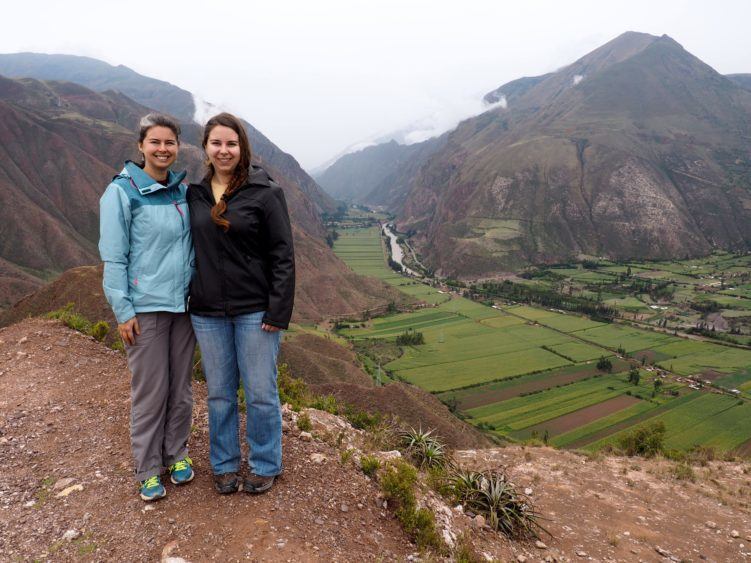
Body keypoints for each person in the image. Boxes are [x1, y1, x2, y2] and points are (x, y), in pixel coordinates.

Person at [187, 112, 295, 495]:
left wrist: (278, 310)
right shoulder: (195, 194)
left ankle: (265, 464)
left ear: (242, 148)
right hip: (207, 311)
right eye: (216, 143)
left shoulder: (265, 192)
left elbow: (283, 254)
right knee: (219, 392)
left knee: (261, 392)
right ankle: (225, 464)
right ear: (205, 148)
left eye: (231, 143)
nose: (223, 150)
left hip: (255, 310)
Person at [99, 113, 196, 501]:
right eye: (155, 142)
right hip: (146, 309)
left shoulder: (183, 191)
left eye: (169, 142)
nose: (162, 149)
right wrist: (123, 310)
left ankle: (177, 454)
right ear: (141, 146)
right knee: (150, 390)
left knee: (181, 387)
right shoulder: (121, 193)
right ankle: (148, 468)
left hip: (184, 307)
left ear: (177, 147)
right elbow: (114, 257)